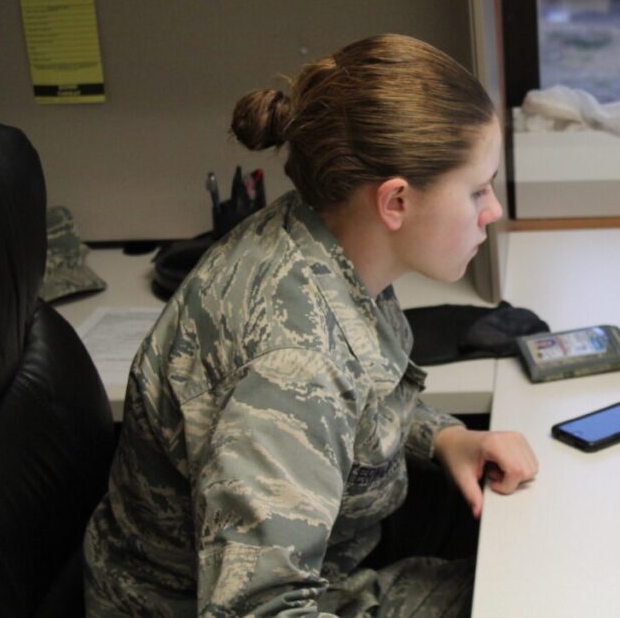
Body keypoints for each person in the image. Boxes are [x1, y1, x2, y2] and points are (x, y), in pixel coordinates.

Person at [84, 35, 538, 617]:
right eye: (477, 189)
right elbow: (256, 608)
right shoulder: (292, 360)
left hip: (321, 558)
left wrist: (445, 436)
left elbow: (358, 388)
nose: (492, 210)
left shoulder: (326, 232)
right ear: (395, 201)